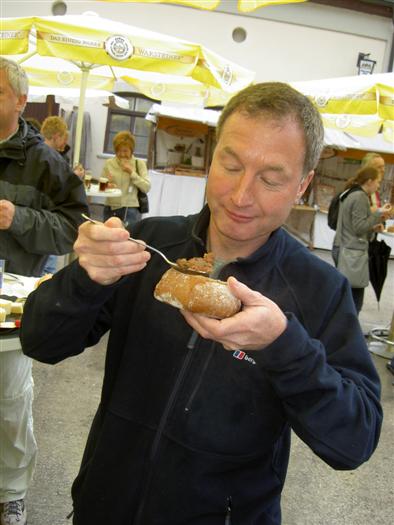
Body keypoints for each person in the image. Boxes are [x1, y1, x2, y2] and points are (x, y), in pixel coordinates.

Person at [20, 83, 383, 525]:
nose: (241, 195)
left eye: (270, 179)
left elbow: (354, 441)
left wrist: (285, 347)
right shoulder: (150, 244)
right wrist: (84, 277)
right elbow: (40, 341)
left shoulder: (320, 290)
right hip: (104, 506)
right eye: (230, 165)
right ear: (213, 158)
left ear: (303, 184)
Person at [0, 58, 88, 525]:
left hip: (10, 310)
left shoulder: (45, 162)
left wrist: (18, 218)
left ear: (19, 100)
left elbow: (76, 227)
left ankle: (10, 492)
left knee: (9, 405)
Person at [332, 166, 391, 313]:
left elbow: (355, 224)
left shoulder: (350, 193)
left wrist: (373, 226)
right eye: (378, 182)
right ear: (369, 181)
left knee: (348, 295)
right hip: (352, 252)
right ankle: (348, 332)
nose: (378, 186)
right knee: (354, 299)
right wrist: (378, 214)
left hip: (345, 247)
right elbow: (359, 227)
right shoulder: (360, 197)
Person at [101, 130, 150, 230]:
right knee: (107, 239)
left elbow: (146, 187)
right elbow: (101, 187)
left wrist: (132, 173)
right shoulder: (109, 163)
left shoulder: (139, 164)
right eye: (118, 151)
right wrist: (106, 185)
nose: (122, 154)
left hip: (131, 210)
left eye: (125, 151)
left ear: (131, 150)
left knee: (128, 239)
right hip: (110, 207)